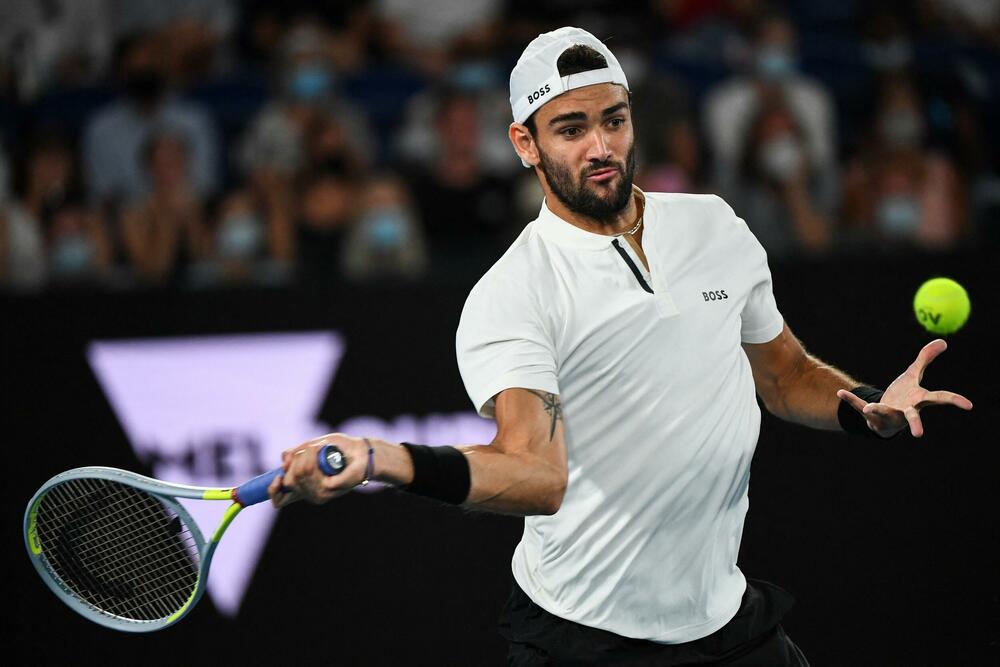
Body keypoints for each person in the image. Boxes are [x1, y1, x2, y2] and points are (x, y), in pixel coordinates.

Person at [267, 27, 973, 665]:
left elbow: (784, 375)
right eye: (571, 129)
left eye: (614, 120)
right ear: (524, 144)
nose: (600, 147)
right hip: (586, 640)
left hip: (725, 620)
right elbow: (534, 475)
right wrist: (382, 459)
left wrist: (868, 405)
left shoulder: (714, 227)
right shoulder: (514, 292)